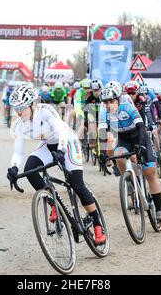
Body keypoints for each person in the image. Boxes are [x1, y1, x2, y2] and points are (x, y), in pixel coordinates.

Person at [6, 85, 107, 245]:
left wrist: (60, 151)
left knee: (76, 184)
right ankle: (54, 205)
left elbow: (61, 131)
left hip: (67, 142)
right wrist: (13, 168)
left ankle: (97, 225)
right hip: (48, 145)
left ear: (33, 104)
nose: (19, 112)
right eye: (17, 108)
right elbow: (18, 151)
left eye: (23, 107)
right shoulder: (19, 124)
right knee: (30, 170)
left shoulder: (45, 111)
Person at [98, 85, 161, 223]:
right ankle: (130, 179)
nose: (108, 105)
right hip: (123, 139)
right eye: (106, 102)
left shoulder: (127, 105)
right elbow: (103, 134)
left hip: (139, 136)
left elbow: (141, 127)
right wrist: (103, 153)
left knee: (150, 172)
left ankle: (158, 209)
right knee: (119, 156)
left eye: (111, 101)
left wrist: (140, 144)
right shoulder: (104, 111)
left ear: (117, 99)